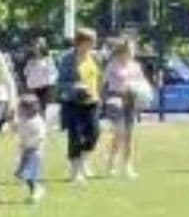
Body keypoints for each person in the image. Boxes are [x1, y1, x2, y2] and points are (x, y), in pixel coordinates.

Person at [100, 36, 151, 178]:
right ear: (124, 50)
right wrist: (102, 99)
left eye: (134, 49)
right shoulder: (112, 64)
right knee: (120, 132)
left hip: (131, 99)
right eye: (131, 49)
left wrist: (142, 92)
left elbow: (142, 82)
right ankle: (112, 162)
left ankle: (128, 166)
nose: (133, 52)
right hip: (115, 98)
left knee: (129, 134)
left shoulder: (136, 66)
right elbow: (103, 82)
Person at [57, 28, 102, 183]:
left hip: (92, 102)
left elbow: (98, 78)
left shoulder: (95, 57)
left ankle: (84, 161)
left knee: (94, 133)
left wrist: (100, 94)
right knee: (75, 136)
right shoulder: (67, 59)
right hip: (73, 102)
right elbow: (60, 83)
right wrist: (75, 86)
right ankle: (75, 171)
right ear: (81, 42)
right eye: (91, 41)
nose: (94, 44)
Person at [13, 94, 45, 204]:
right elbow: (16, 128)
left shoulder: (37, 121)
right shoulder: (23, 119)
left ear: (30, 109)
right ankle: (35, 191)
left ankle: (37, 192)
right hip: (25, 151)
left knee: (30, 174)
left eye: (21, 108)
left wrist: (31, 144)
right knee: (21, 174)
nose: (19, 110)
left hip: (35, 152)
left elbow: (40, 136)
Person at [23, 35, 57, 120]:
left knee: (42, 106)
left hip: (45, 87)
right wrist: (31, 67)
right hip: (33, 87)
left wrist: (49, 82)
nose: (36, 49)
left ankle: (42, 122)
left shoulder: (48, 59)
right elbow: (25, 72)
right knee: (33, 106)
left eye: (37, 46)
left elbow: (53, 72)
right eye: (34, 46)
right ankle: (34, 122)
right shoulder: (30, 60)